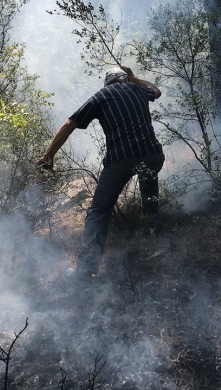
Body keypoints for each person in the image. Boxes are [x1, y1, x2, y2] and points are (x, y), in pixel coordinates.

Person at [37, 66, 165, 279]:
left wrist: (48, 155)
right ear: (125, 80)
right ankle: (152, 235)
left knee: (98, 212)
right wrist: (134, 78)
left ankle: (86, 270)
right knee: (149, 186)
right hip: (152, 155)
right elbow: (156, 90)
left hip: (121, 160)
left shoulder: (101, 96)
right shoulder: (138, 90)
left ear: (108, 83)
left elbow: (69, 124)